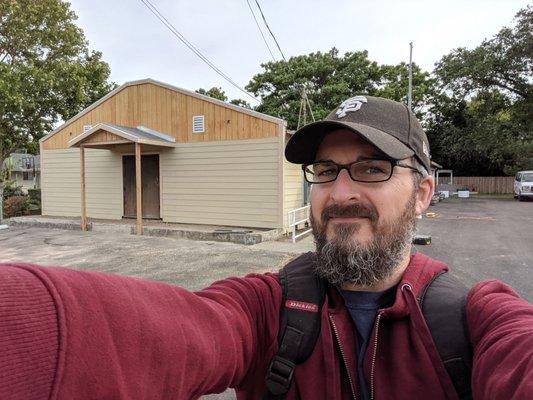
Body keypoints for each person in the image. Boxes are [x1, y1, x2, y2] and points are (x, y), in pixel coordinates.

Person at [1, 96, 532, 400]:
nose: (340, 193)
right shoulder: (267, 308)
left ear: (421, 192)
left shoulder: (476, 318)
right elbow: (154, 333)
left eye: (372, 169)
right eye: (325, 171)